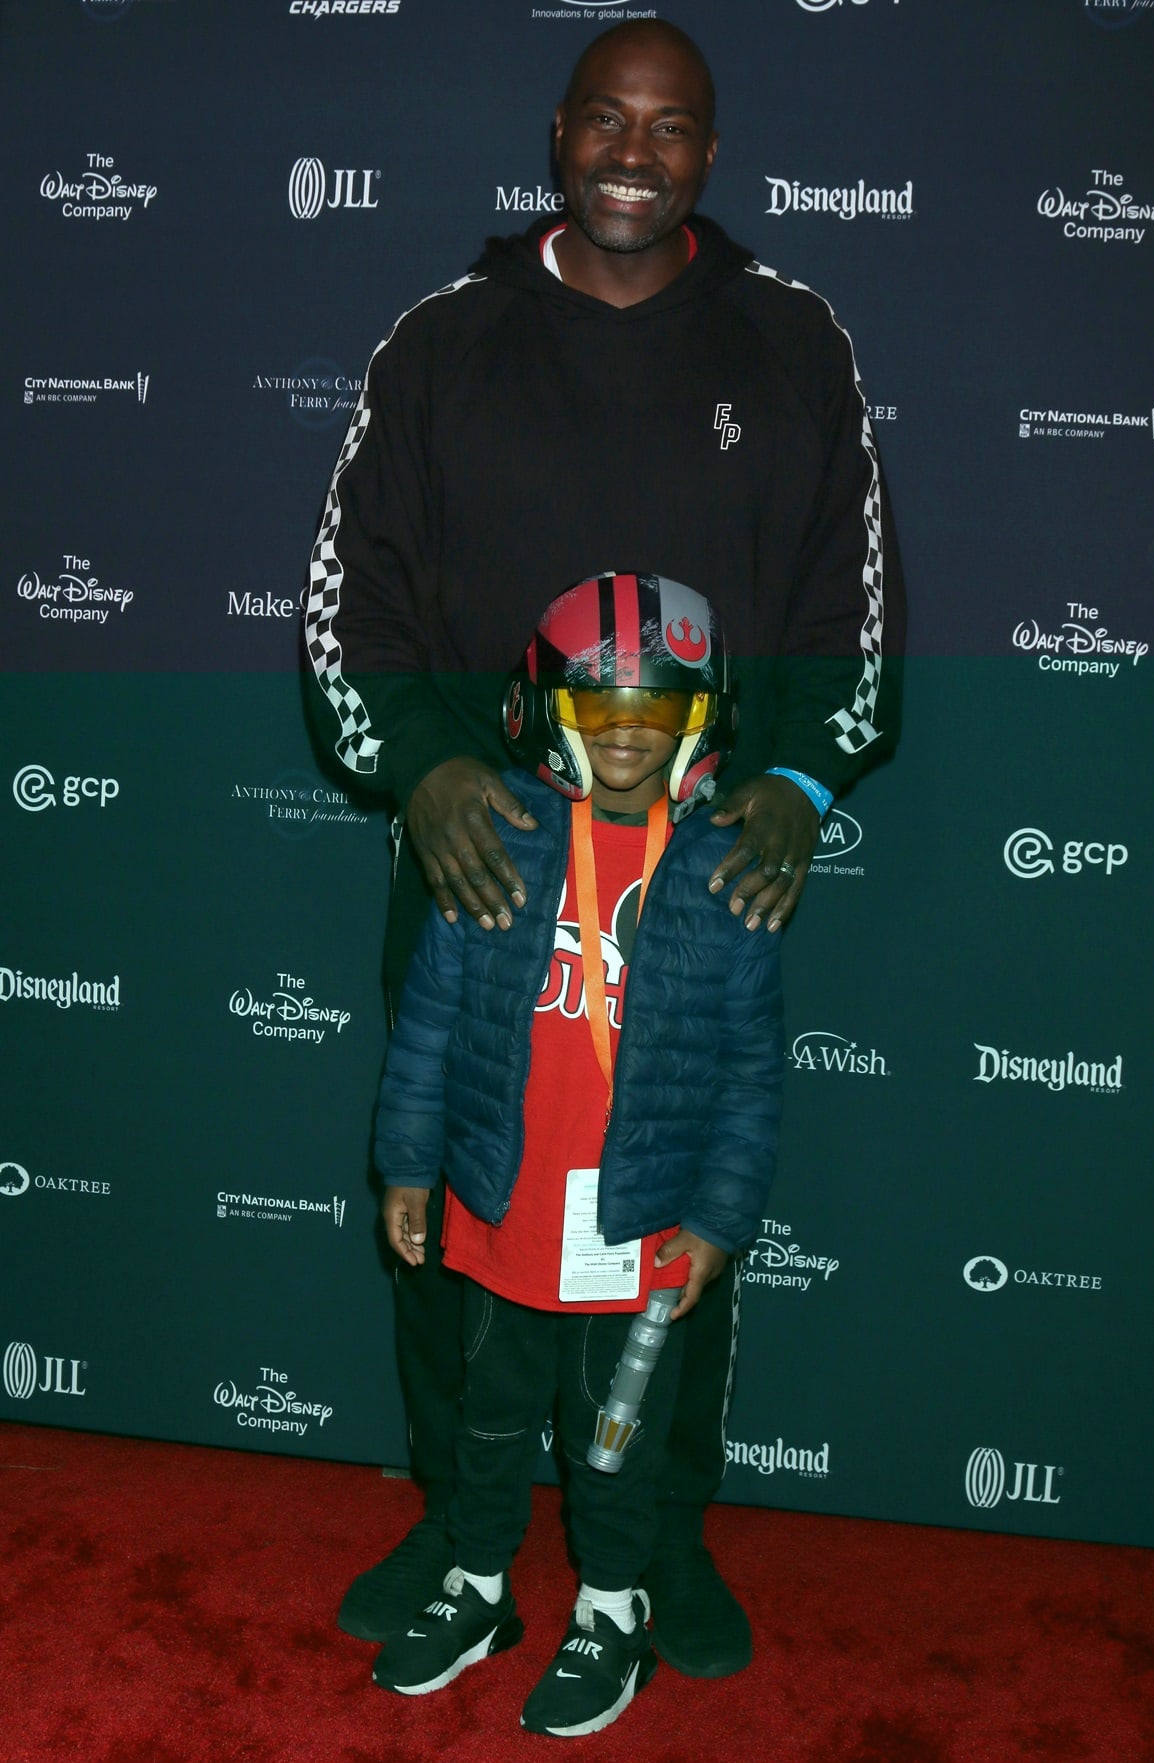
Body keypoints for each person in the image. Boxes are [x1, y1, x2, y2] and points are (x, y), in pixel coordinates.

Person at [303, 18, 904, 1677]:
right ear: (558, 134)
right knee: (463, 1215)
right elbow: (348, 606)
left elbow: (853, 601)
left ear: (711, 152)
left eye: (674, 126)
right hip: (486, 867)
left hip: (696, 888)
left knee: (669, 1227)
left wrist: (798, 782)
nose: (635, 153)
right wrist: (423, 772)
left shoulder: (791, 337)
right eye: (608, 122)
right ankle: (462, 1521)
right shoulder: (446, 340)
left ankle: (656, 1537)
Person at [368, 574, 783, 1736]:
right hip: (501, 1205)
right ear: (551, 715)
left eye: (654, 715)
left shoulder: (721, 875)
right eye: (601, 714)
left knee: (613, 1437)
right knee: (488, 1415)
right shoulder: (491, 838)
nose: (627, 737)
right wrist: (410, 1163)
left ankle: (612, 1608)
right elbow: (430, 1028)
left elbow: (752, 1078)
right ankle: (480, 1586)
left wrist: (718, 1220)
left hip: (636, 1222)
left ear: (700, 724)